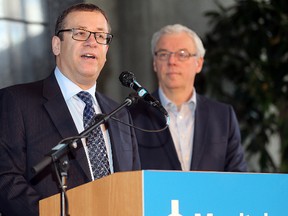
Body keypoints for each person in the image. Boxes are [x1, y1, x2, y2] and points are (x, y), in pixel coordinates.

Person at [0, 3, 140, 216]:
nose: (92, 42)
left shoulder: (120, 112)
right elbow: (6, 179)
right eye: (81, 33)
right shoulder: (16, 102)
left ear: (106, 50)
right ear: (57, 45)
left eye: (100, 36)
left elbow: (133, 185)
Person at [129, 24, 247, 172]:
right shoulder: (132, 116)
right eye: (164, 54)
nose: (172, 61)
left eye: (182, 54)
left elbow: (237, 177)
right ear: (154, 63)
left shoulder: (223, 117)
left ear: (199, 63)